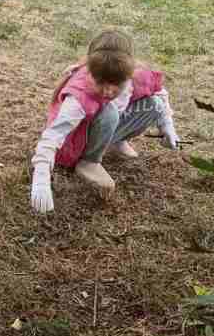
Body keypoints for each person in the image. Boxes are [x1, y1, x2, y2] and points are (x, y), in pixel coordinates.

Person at [30, 29, 181, 212]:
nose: (108, 91)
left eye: (117, 84)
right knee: (109, 111)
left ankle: (116, 141)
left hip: (104, 126)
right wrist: (41, 177)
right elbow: (53, 135)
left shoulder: (132, 76)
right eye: (101, 82)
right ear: (91, 71)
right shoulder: (79, 94)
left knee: (154, 104)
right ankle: (89, 160)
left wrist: (167, 126)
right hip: (76, 140)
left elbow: (160, 93)